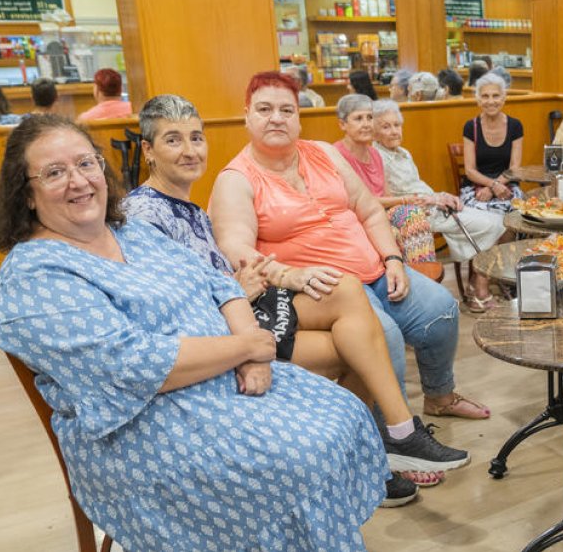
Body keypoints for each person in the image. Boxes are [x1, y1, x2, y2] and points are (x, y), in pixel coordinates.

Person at [0, 114, 387, 550]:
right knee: (297, 459)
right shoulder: (34, 277)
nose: (78, 181)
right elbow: (130, 366)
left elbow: (219, 283)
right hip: (143, 428)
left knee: (342, 415)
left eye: (86, 164)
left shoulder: (132, 230)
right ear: (25, 194)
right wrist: (246, 346)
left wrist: (254, 355)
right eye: (54, 173)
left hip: (223, 385)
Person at [123, 94, 468, 501]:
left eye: (196, 138)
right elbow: (167, 311)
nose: (189, 151)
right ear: (148, 150)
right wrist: (242, 301)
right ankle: (372, 452)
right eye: (173, 141)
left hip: (243, 312)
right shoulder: (145, 215)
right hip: (212, 342)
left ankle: (392, 436)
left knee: (347, 290)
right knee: (360, 343)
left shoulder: (188, 207)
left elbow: (212, 276)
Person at [209, 71, 490, 420]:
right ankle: (393, 432)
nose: (277, 118)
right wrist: (291, 275)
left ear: (299, 117)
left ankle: (439, 397)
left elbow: (370, 210)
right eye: (265, 109)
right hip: (323, 290)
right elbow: (235, 248)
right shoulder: (236, 179)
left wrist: (392, 259)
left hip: (376, 271)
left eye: (287, 110)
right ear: (247, 115)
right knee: (384, 336)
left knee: (442, 309)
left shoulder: (325, 153)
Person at [373, 99, 508, 311]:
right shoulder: (377, 156)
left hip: (435, 207)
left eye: (397, 125)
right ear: (374, 131)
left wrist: (443, 195)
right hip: (418, 214)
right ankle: (478, 288)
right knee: (496, 223)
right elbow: (400, 196)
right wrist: (437, 199)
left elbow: (417, 186)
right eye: (385, 126)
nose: (393, 131)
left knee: (502, 219)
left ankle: (477, 281)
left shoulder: (403, 153)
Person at [333, 94, 436, 264]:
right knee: (405, 223)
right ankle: (407, 278)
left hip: (382, 212)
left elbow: (387, 195)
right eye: (358, 118)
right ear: (342, 124)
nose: (366, 124)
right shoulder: (337, 154)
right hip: (356, 217)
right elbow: (354, 203)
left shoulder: (375, 153)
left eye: (369, 118)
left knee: (415, 216)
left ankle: (423, 277)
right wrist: (404, 200)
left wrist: (411, 203)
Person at [460, 73, 524, 214]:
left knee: (515, 214)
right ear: (478, 100)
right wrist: (492, 185)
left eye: (495, 95)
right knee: (482, 214)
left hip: (508, 186)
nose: (491, 101)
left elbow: (514, 167)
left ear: (504, 98)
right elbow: (470, 171)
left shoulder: (515, 125)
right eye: (485, 96)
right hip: (476, 188)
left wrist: (495, 186)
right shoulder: (470, 126)